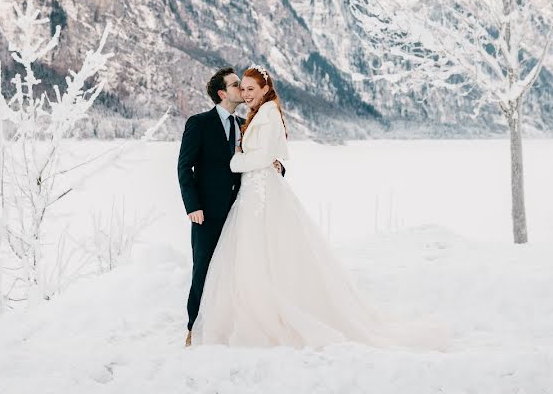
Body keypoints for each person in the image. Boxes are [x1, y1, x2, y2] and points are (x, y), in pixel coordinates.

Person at [191, 65, 444, 349]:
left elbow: (261, 156)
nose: (246, 93)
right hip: (252, 193)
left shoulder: (268, 114)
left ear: (265, 88)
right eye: (242, 88)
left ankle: (268, 316)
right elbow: (257, 154)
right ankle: (248, 313)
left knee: (260, 254)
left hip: (259, 193)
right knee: (254, 255)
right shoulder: (255, 114)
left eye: (251, 88)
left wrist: (235, 161)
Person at [177, 67, 284, 347]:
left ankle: (227, 325)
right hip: (207, 213)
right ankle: (193, 329)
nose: (243, 89)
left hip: (241, 209)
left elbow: (265, 151)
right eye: (237, 85)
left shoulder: (244, 123)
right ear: (223, 93)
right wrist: (193, 206)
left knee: (235, 269)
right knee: (203, 269)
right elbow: (184, 167)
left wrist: (276, 165)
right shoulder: (199, 123)